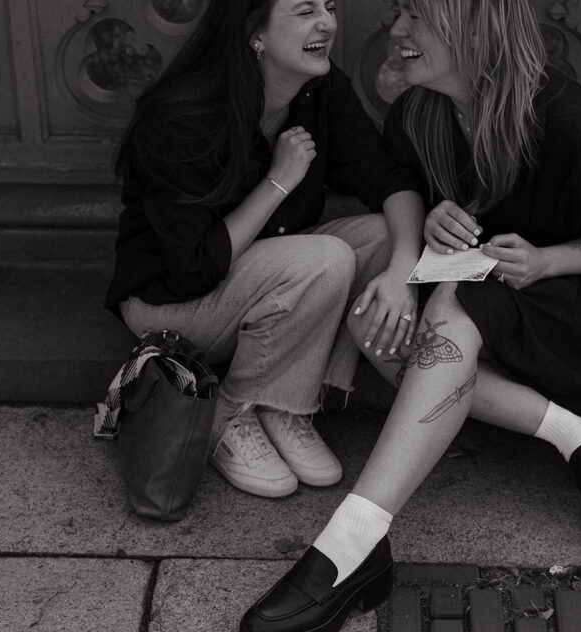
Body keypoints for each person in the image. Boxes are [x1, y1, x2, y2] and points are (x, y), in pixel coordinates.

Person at [239, 0, 581, 632]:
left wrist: (549, 260)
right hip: (493, 297)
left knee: (448, 309)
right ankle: (571, 432)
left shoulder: (567, 118)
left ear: (474, 29)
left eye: (417, 17)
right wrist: (432, 224)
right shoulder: (422, 110)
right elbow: (411, 185)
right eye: (400, 13)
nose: (398, 32)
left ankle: (351, 542)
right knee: (373, 322)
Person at [103, 0, 425, 499]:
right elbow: (191, 268)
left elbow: (386, 176)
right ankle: (231, 413)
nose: (328, 22)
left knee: (386, 236)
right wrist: (278, 181)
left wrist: (404, 269)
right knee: (327, 259)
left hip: (258, 280)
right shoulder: (183, 116)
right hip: (172, 305)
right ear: (254, 32)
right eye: (304, 11)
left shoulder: (319, 87)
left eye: (330, 6)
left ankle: (286, 404)